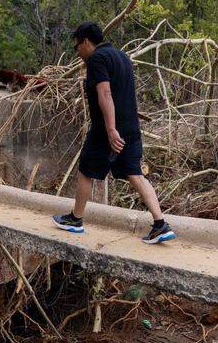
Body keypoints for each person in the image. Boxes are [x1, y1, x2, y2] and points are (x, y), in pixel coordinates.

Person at [52, 22, 175, 244]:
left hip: (107, 130)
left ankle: (75, 219)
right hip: (130, 127)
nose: (77, 52)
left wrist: (110, 130)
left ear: (87, 42)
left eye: (77, 46)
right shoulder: (122, 57)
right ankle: (160, 224)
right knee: (135, 173)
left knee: (86, 171)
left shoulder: (97, 59)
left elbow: (105, 93)